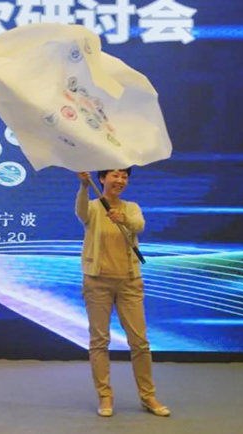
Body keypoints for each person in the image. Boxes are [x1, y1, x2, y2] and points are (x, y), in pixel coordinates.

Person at [75, 168, 170, 418]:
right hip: (97, 282)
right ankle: (105, 396)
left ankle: (148, 396)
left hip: (129, 282)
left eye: (124, 176)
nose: (120, 180)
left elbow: (139, 225)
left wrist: (123, 219)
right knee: (99, 341)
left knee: (140, 342)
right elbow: (80, 213)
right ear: (102, 179)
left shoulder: (131, 207)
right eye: (115, 175)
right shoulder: (93, 206)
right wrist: (83, 186)